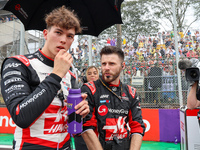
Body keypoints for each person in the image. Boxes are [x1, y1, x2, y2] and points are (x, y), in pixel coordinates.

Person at [1, 6, 90, 150]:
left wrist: (82, 110)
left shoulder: (72, 72)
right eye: (58, 32)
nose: (63, 40)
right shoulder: (18, 64)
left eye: (69, 36)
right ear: (45, 34)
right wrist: (56, 75)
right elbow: (21, 116)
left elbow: (72, 119)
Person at [81, 46, 145, 150]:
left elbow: (137, 126)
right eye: (103, 64)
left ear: (122, 65)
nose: (106, 67)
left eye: (112, 64)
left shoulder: (131, 92)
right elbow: (87, 126)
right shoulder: (89, 89)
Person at [75, 66, 100, 150]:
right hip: (86, 131)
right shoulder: (84, 88)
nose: (92, 75)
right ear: (86, 76)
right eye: (89, 74)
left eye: (95, 73)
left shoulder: (101, 89)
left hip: (96, 131)